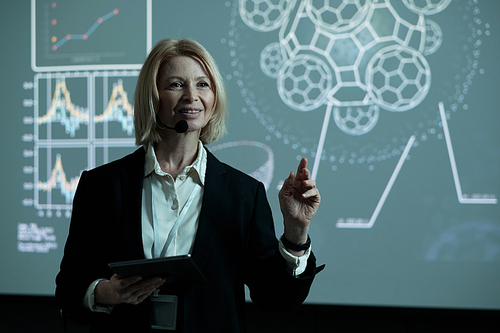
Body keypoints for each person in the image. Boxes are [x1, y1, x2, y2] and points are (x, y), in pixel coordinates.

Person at [55, 38, 323, 332]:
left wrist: (297, 234)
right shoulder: (103, 186)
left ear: (214, 97)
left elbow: (275, 299)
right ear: (152, 96)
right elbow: (69, 289)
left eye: (203, 85)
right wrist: (105, 293)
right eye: (175, 85)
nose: (191, 97)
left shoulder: (244, 193)